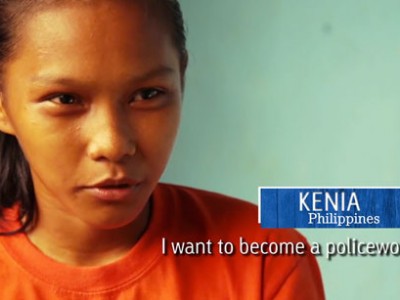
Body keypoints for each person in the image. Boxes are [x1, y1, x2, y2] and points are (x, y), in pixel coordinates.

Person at [0, 0, 325, 299]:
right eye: (65, 99)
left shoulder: (264, 258)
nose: (113, 144)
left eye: (147, 94)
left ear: (181, 78)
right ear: (3, 102)